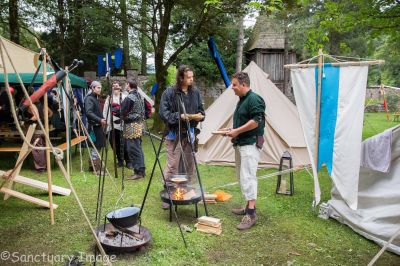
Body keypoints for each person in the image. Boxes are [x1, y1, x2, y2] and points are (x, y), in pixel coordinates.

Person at [159, 65, 205, 209]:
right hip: (173, 134)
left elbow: (201, 111)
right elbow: (163, 113)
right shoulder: (170, 92)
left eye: (192, 77)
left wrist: (199, 116)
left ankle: (183, 190)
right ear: (181, 78)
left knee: (188, 165)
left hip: (189, 134)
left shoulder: (195, 92)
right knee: (172, 165)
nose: (192, 79)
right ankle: (168, 194)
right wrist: (178, 116)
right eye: (189, 77)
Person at [225, 71, 265, 230]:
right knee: (242, 177)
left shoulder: (254, 99)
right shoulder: (242, 100)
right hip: (241, 143)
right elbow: (244, 121)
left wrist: (236, 131)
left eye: (234, 84)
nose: (232, 87)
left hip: (250, 144)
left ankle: (251, 214)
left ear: (243, 84)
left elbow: (256, 121)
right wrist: (233, 130)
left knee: (248, 177)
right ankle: (247, 206)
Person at [121, 79, 146, 180]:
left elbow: (122, 110)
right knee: (138, 148)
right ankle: (141, 170)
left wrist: (116, 111)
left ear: (129, 85)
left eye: (126, 84)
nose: (125, 86)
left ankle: (138, 172)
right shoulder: (139, 96)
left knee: (133, 149)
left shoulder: (130, 97)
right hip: (138, 124)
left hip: (132, 126)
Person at [103, 81, 128, 167]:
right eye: (113, 86)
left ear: (120, 87)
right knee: (114, 144)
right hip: (112, 125)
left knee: (124, 144)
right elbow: (105, 111)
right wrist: (106, 121)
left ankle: (128, 161)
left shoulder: (125, 97)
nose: (115, 88)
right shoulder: (109, 98)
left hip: (122, 124)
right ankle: (120, 161)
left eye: (117, 86)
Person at [84, 81, 107, 173]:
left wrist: (102, 119)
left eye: (100, 87)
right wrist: (100, 120)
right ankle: (96, 169)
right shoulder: (89, 98)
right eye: (98, 87)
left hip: (97, 125)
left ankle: (92, 166)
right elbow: (89, 112)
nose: (100, 89)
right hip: (94, 126)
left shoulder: (95, 98)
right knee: (96, 146)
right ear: (92, 88)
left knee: (98, 146)